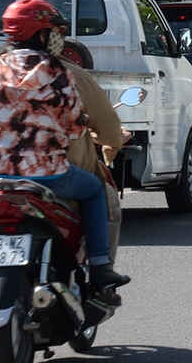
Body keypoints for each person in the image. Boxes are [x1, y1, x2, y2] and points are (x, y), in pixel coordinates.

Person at [0, 0, 128, 289]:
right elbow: (73, 130)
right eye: (53, 33)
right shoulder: (60, 73)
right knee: (95, 190)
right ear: (42, 35)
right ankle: (99, 266)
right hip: (48, 175)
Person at [62, 55, 129, 263]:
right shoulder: (66, 74)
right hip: (52, 172)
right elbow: (109, 130)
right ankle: (101, 268)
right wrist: (113, 139)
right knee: (98, 192)